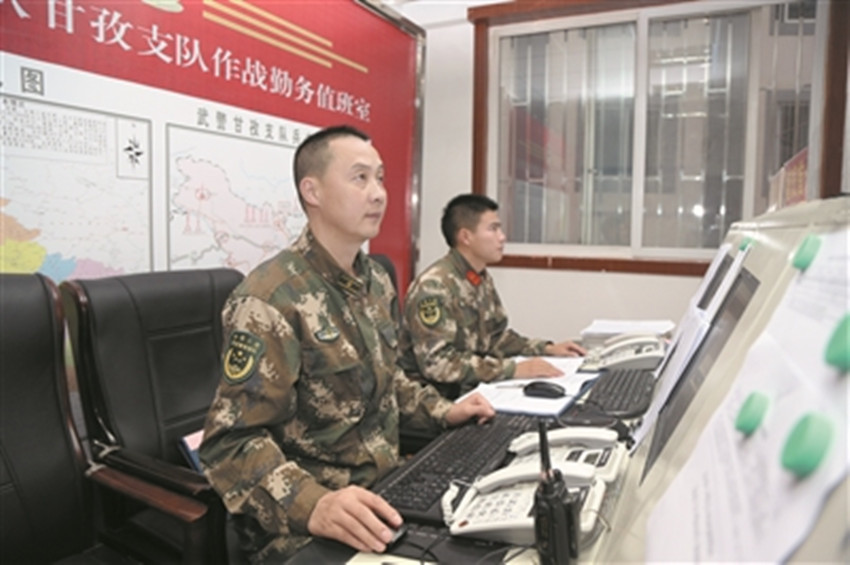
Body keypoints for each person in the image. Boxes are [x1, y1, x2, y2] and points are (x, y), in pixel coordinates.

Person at [198, 125, 494, 563]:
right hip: (304, 525)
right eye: (360, 178)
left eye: (380, 178)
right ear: (312, 191)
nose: (378, 194)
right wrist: (314, 504)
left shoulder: (375, 281)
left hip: (386, 492)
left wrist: (444, 411)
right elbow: (229, 445)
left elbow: (388, 381)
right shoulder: (269, 299)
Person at [398, 193, 586, 399]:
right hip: (437, 403)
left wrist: (546, 349)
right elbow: (438, 364)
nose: (502, 237)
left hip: (473, 392)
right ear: (466, 237)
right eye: (493, 229)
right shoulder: (434, 287)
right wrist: (511, 370)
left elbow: (495, 338)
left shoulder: (479, 278)